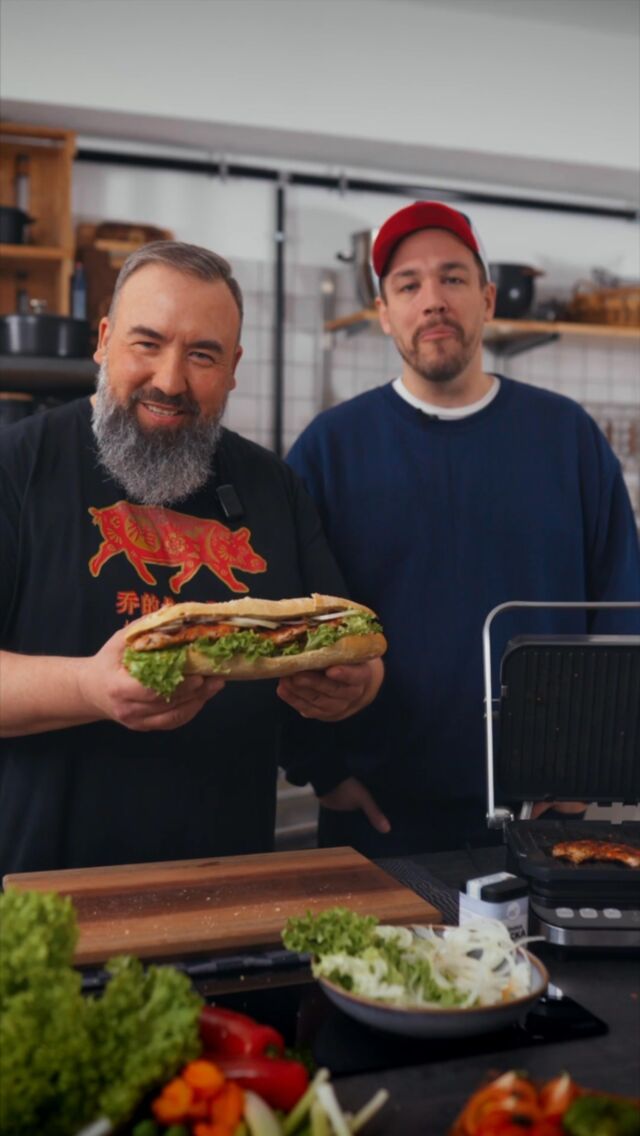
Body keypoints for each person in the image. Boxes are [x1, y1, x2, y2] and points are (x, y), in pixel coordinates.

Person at [0, 241, 383, 877]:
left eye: (202, 354)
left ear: (233, 367)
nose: (170, 380)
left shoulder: (273, 487)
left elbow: (351, 648)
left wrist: (355, 688)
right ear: (103, 340)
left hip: (225, 892)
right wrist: (91, 689)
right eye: (146, 343)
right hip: (48, 891)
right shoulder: (18, 465)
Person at [287, 200, 640, 857]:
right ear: (385, 311)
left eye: (452, 278)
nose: (433, 300)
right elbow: (286, 631)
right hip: (378, 819)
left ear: (487, 298)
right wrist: (323, 771)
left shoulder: (567, 439)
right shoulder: (329, 451)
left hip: (543, 816)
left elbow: (623, 613)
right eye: (408, 284)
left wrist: (594, 765)